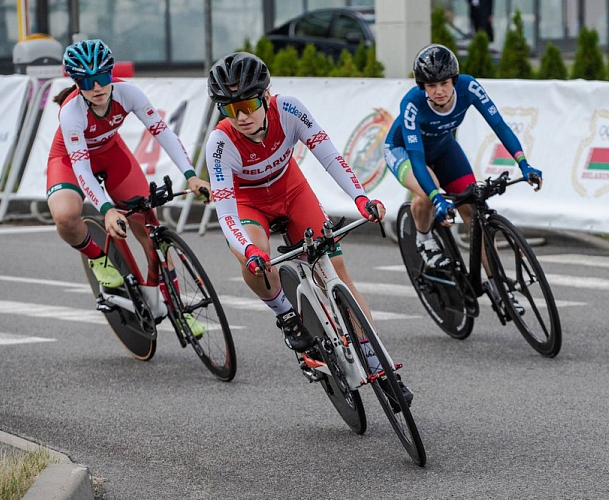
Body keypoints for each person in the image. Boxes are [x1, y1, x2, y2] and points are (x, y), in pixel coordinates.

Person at [204, 52, 412, 405]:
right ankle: (285, 314)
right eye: (230, 109)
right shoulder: (220, 143)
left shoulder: (288, 109)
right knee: (256, 259)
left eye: (249, 105)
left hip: (291, 190)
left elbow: (330, 156)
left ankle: (378, 361)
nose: (241, 117)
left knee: (337, 271)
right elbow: (225, 213)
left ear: (266, 96)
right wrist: (250, 251)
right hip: (248, 204)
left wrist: (360, 198)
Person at [46, 39, 211, 336]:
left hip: (112, 154)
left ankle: (176, 308)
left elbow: (162, 132)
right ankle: (98, 258)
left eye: (102, 77)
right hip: (69, 160)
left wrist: (191, 175)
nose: (97, 87)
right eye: (87, 82)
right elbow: (81, 168)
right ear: (76, 84)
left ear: (111, 73)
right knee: (65, 216)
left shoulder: (128, 93)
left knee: (150, 228)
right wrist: (107, 209)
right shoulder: (71, 112)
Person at [383, 44, 542, 313]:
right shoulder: (412, 103)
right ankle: (424, 239)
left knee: (474, 209)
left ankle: (498, 288)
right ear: (422, 86)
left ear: (454, 80)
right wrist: (437, 197)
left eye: (444, 83)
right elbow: (418, 159)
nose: (439, 90)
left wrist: (523, 163)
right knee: (428, 191)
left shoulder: (469, 87)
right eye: (431, 85)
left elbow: (499, 125)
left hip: (444, 147)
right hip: (405, 151)